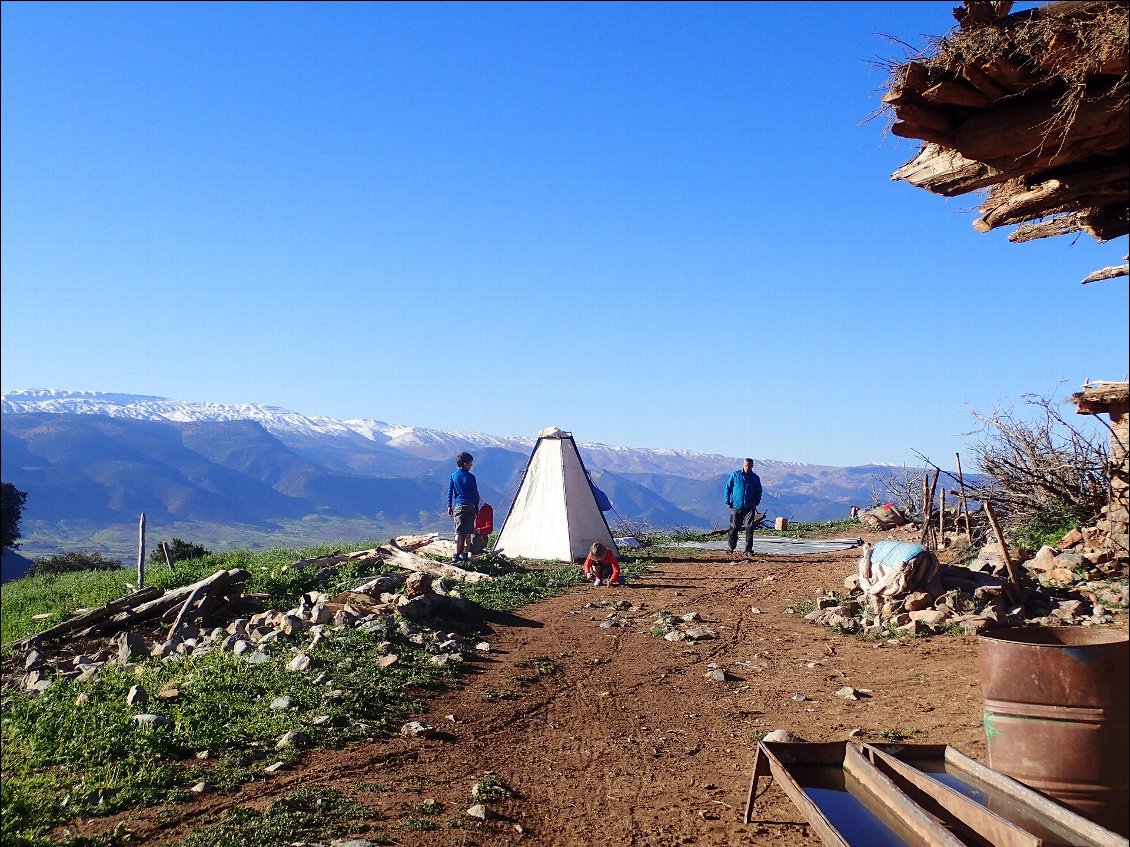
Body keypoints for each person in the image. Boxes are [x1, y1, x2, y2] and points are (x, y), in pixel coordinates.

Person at [725, 457, 763, 557]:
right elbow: (728, 488)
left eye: (750, 466)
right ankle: (731, 547)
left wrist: (756, 502)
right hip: (736, 506)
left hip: (749, 507)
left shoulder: (755, 478)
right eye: (746, 465)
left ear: (752, 466)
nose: (747, 468)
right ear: (743, 465)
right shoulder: (735, 475)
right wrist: (727, 500)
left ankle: (748, 549)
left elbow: (759, 491)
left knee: (749, 528)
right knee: (733, 528)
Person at [447, 452, 480, 563]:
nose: (471, 465)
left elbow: (450, 491)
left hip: (459, 506)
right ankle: (465, 553)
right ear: (465, 464)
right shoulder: (471, 477)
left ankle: (456, 554)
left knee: (458, 531)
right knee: (468, 532)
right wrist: (476, 506)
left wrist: (449, 505)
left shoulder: (454, 476)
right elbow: (475, 493)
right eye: (470, 463)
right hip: (470, 506)